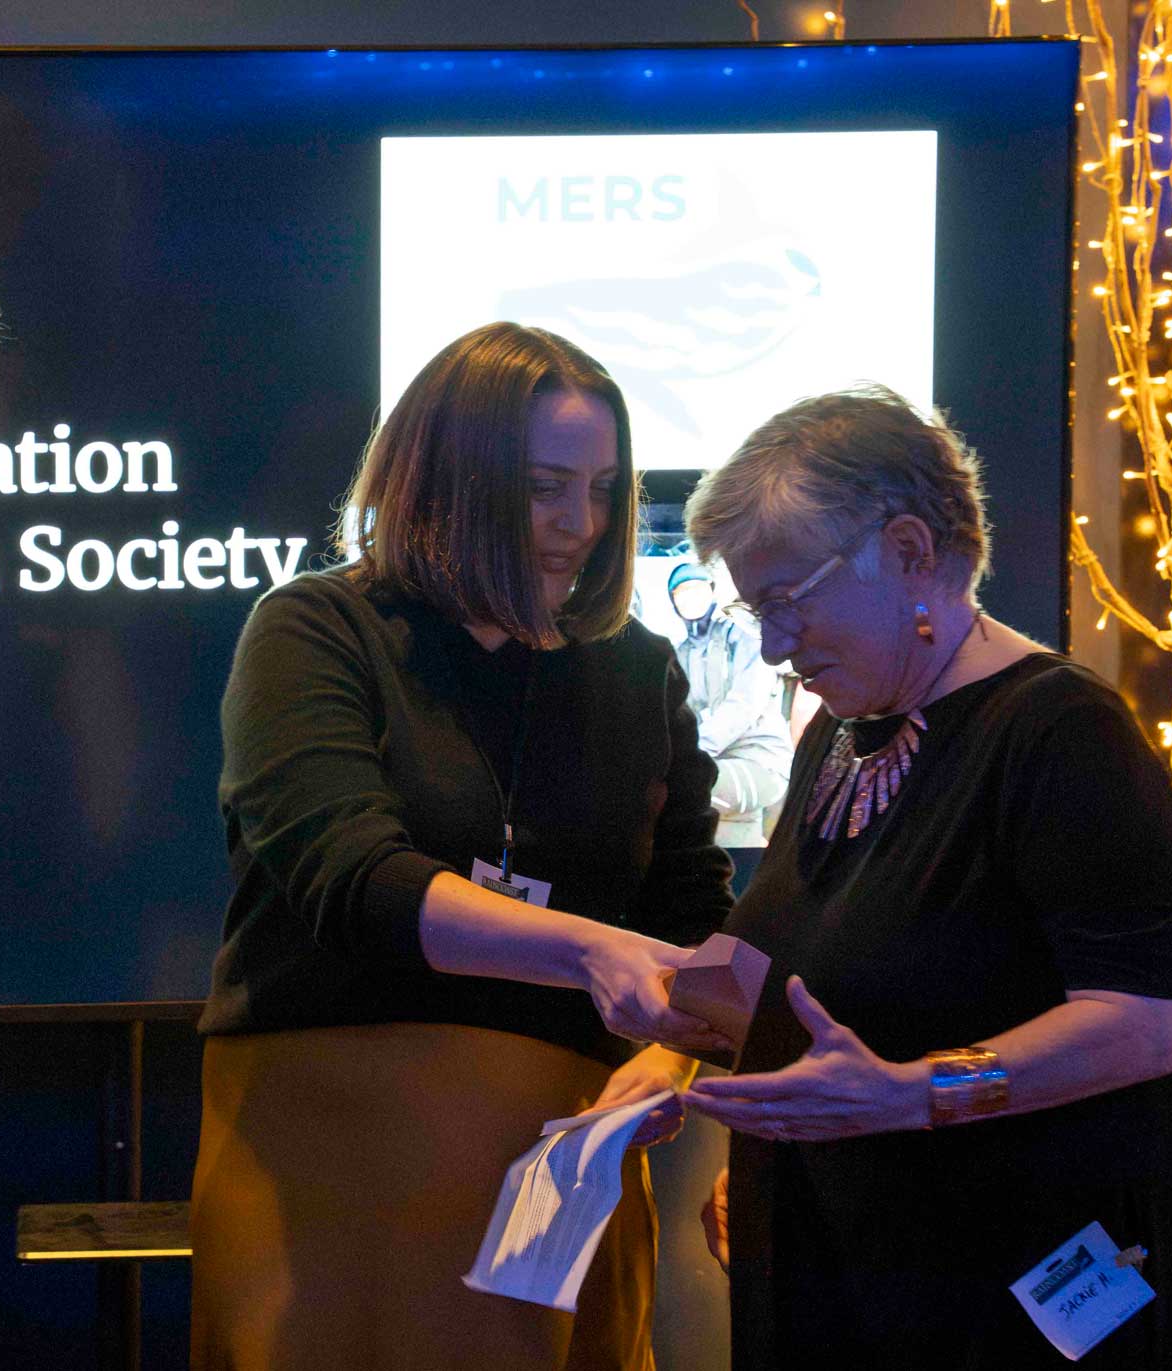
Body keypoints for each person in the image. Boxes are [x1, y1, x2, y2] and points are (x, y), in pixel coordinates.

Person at [191, 322, 736, 1371]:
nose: (577, 523)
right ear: (442, 476)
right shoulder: (315, 629)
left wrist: (670, 1055)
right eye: (540, 488)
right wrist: (586, 949)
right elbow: (351, 879)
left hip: (557, 1153)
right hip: (325, 1140)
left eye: (600, 489)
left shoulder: (636, 671)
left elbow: (689, 917)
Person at [678, 387, 1172, 1368]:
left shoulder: (1061, 735)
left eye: (783, 601)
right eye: (751, 608)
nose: (769, 644)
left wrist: (911, 1094)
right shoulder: (841, 737)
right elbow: (789, 957)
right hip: (871, 1264)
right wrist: (643, 1020)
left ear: (906, 551)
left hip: (1027, 1289)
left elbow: (1140, 1025)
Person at [662, 542, 792, 887]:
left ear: (712, 592)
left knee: (685, 785)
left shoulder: (744, 635)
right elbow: (681, 713)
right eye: (681, 593)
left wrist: (692, 750)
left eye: (697, 589)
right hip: (716, 760)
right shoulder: (682, 650)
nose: (689, 598)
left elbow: (744, 705)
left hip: (758, 760)